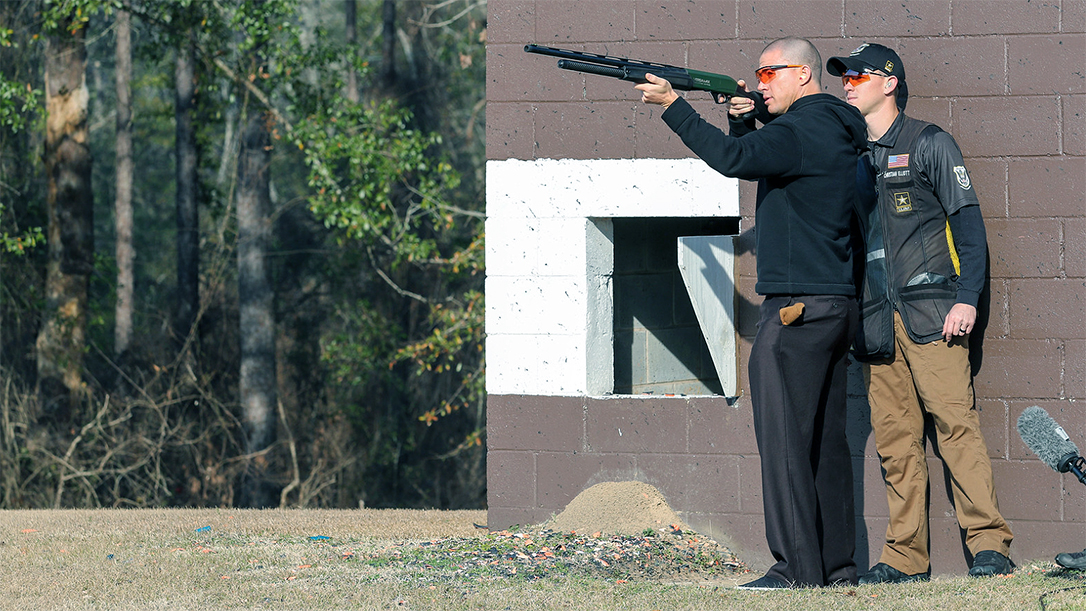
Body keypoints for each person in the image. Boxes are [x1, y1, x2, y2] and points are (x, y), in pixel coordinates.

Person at [636, 37, 867, 590]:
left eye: (770, 73)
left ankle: (795, 570)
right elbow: (760, 158)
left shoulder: (802, 129)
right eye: (757, 75)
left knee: (785, 442)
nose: (759, 83)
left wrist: (674, 106)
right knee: (825, 447)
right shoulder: (827, 130)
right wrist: (744, 120)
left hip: (795, 310)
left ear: (805, 75)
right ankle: (836, 569)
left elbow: (732, 161)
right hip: (833, 304)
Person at [827, 42, 1014, 582]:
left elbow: (970, 230)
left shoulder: (930, 142)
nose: (848, 83)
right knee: (895, 444)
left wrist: (967, 298)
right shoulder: (847, 154)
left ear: (889, 82)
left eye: (859, 76)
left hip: (934, 316)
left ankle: (989, 547)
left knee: (957, 428)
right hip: (875, 322)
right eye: (844, 77)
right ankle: (906, 560)